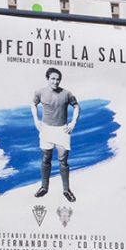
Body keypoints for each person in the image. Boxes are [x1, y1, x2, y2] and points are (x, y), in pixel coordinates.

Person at [32, 67, 79, 202]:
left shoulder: (67, 93)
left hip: (62, 130)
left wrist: (73, 123)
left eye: (58, 79)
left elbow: (76, 106)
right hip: (46, 129)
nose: (55, 81)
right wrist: (36, 119)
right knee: (46, 159)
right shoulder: (40, 92)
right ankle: (44, 187)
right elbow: (33, 104)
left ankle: (66, 190)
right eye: (53, 78)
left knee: (63, 161)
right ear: (47, 79)